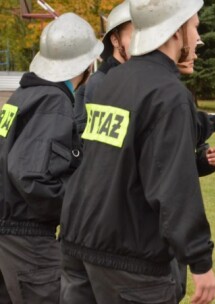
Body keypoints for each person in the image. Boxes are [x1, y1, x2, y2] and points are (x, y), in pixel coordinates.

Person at [59, 0, 215, 303]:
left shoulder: (113, 81)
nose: (198, 38)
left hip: (79, 242)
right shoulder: (168, 94)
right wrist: (199, 259)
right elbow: (174, 183)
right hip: (128, 258)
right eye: (194, 27)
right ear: (176, 32)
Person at [0, 13, 102, 303]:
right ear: (83, 64)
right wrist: (77, 205)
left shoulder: (23, 94)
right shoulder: (53, 100)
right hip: (27, 237)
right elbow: (30, 174)